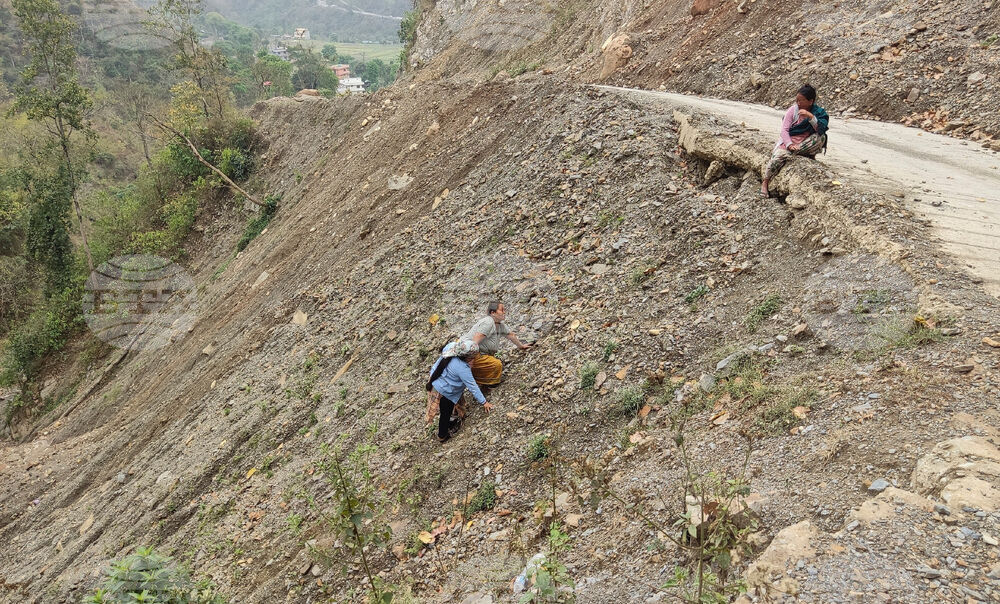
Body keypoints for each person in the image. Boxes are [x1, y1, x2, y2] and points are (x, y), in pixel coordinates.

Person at [761, 84, 830, 198]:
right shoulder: (792, 111)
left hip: (805, 142)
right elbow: (784, 130)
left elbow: (820, 129)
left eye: (801, 101)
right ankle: (766, 182)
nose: (798, 103)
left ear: (811, 101)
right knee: (776, 159)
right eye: (797, 100)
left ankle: (805, 152)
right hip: (790, 141)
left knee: (821, 137)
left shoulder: (818, 112)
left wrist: (811, 117)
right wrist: (789, 144)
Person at [426, 340, 492, 444]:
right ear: (468, 357)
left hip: (436, 379)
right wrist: (484, 402)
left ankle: (453, 420)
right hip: (445, 390)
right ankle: (442, 435)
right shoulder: (462, 368)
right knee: (445, 412)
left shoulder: (451, 347)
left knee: (448, 409)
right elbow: (472, 386)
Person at [462, 302, 532, 387]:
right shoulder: (488, 322)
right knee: (496, 364)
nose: (504, 312)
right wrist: (470, 361)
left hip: (481, 353)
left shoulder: (500, 325)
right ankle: (480, 381)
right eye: (502, 310)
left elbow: (511, 335)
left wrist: (521, 346)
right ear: (493, 313)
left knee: (495, 364)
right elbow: (474, 342)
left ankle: (481, 382)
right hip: (470, 353)